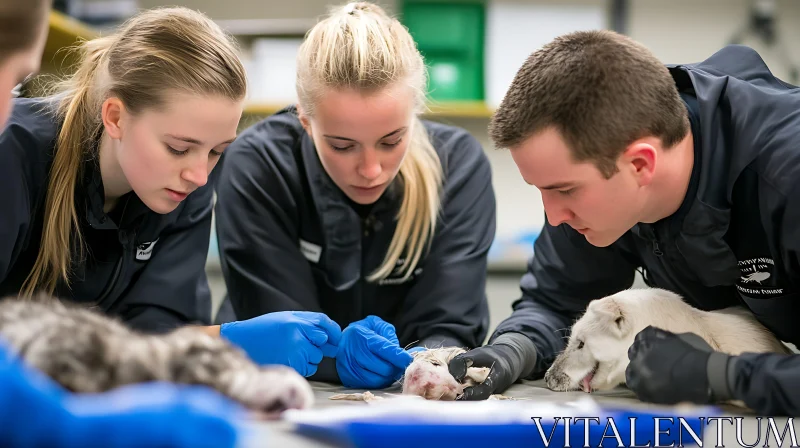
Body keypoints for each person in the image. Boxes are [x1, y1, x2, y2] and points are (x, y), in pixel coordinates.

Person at [448, 29, 800, 416]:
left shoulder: (787, 177)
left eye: (564, 190)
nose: (553, 216)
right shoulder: (610, 147)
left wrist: (725, 375)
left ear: (640, 164)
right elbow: (555, 300)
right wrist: (511, 349)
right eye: (541, 190)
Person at [213, 1, 496, 389]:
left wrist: (421, 364)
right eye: (342, 146)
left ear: (413, 115)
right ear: (305, 122)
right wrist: (337, 359)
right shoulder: (259, 165)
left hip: (410, 399)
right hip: (278, 387)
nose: (370, 169)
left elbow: (450, 325)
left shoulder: (459, 166)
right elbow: (283, 332)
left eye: (391, 140)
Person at [0, 1, 243, 447]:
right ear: (115, 117)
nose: (200, 174)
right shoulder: (14, 153)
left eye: (216, 151)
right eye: (178, 147)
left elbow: (157, 334)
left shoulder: (186, 186)